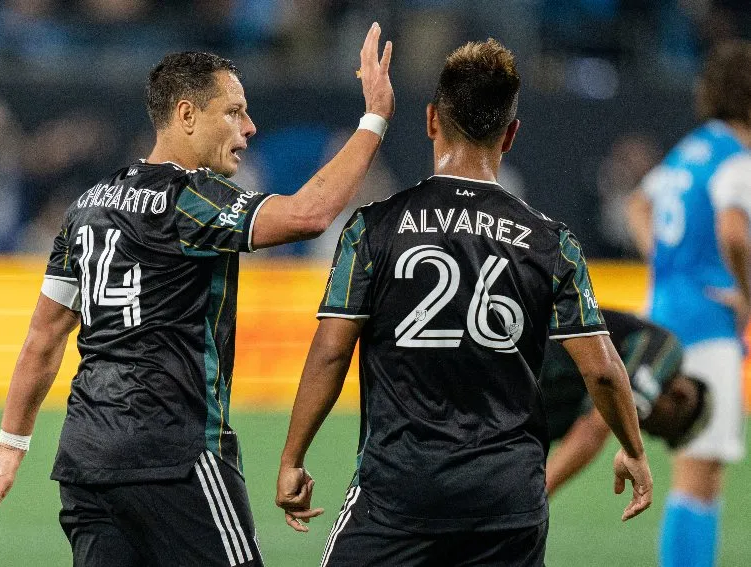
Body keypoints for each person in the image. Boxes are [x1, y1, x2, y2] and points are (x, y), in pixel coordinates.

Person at [0, 23, 394, 567]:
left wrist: (10, 445)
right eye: (233, 111)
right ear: (186, 115)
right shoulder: (189, 201)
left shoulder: (87, 207)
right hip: (175, 459)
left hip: (87, 467)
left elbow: (44, 337)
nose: (249, 127)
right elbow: (309, 214)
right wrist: (375, 118)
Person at [275, 38, 653, 567]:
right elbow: (606, 373)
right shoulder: (551, 242)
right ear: (511, 134)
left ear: (431, 120)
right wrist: (633, 449)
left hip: (398, 493)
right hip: (507, 501)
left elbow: (332, 352)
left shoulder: (374, 228)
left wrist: (293, 457)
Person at [626, 40, 751, 567]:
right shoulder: (736, 157)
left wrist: (671, 263)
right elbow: (734, 232)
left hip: (665, 319)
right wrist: (747, 295)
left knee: (690, 470)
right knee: (702, 477)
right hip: (707, 325)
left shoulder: (692, 149)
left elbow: (638, 204)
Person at [542, 309, 711, 496]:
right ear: (680, 395)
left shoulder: (571, 408)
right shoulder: (663, 349)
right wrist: (538, 496)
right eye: (658, 429)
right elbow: (595, 427)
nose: (643, 430)